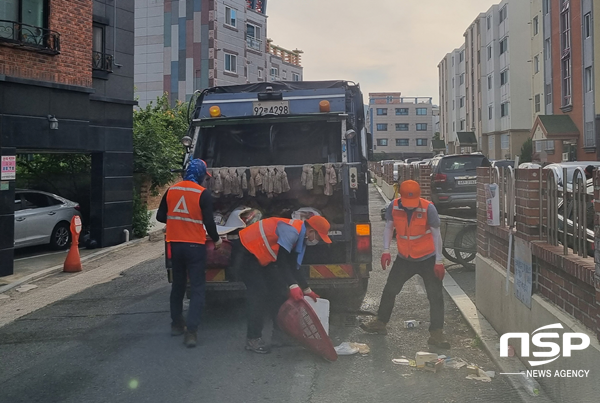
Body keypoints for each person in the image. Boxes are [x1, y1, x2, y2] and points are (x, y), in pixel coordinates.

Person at [360, 180, 450, 349]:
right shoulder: (394, 206)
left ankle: (436, 333)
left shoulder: (428, 208)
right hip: (405, 258)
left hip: (427, 258)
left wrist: (439, 261)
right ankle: (380, 323)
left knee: (435, 296)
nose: (410, 206)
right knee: (390, 290)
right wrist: (386, 250)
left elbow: (437, 235)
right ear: (400, 196)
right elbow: (389, 227)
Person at [238, 215, 332, 354]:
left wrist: (307, 289)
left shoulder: (300, 238)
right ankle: (253, 339)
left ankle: (279, 336)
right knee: (259, 294)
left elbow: (293, 265)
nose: (317, 241)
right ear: (311, 230)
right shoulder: (292, 232)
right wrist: (293, 285)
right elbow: (282, 261)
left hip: (261, 255)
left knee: (277, 292)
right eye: (318, 237)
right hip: (246, 251)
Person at [156, 159, 221, 348]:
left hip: (175, 245)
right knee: (198, 288)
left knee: (178, 285)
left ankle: (177, 325)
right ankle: (191, 333)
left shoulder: (171, 190)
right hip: (195, 247)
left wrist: (177, 219)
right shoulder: (203, 194)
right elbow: (209, 223)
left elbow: (160, 216)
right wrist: (217, 240)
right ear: (200, 175)